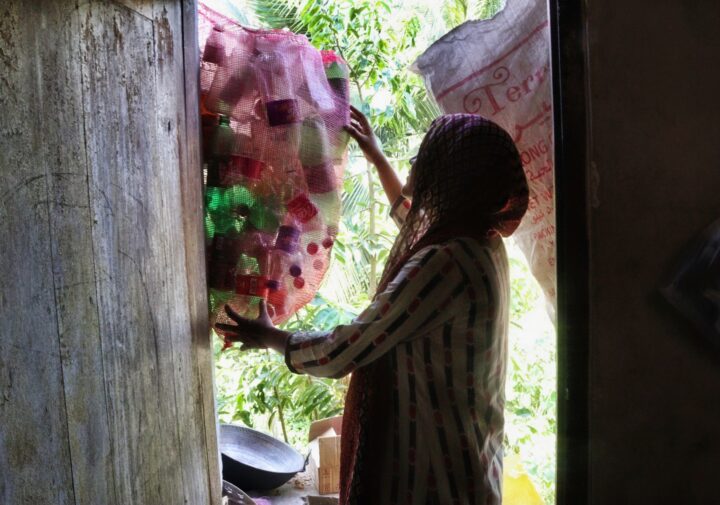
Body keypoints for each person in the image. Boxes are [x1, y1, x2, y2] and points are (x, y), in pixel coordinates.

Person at [216, 105, 530, 505]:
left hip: (434, 478)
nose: (416, 160)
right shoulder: (481, 243)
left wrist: (271, 338)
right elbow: (415, 222)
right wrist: (378, 158)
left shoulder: (444, 263)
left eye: (427, 155)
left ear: (456, 177)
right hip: (471, 465)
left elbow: (346, 349)